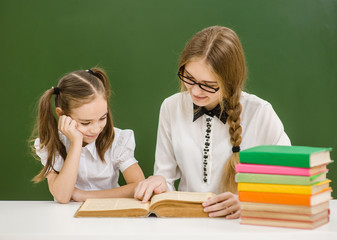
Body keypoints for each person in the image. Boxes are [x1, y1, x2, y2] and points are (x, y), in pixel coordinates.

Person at [134, 26, 291, 218]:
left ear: (230, 81)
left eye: (208, 85)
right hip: (186, 222)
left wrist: (251, 201)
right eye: (189, 78)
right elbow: (165, 178)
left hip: (239, 225)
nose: (195, 91)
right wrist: (158, 182)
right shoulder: (171, 107)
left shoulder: (260, 113)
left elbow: (291, 180)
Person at [31, 67, 145, 204]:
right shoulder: (51, 144)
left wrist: (84, 195)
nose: (96, 129)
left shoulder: (117, 140)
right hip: (68, 220)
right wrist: (76, 143)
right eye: (85, 123)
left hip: (109, 218)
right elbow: (62, 195)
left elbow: (139, 186)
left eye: (103, 118)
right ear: (62, 115)